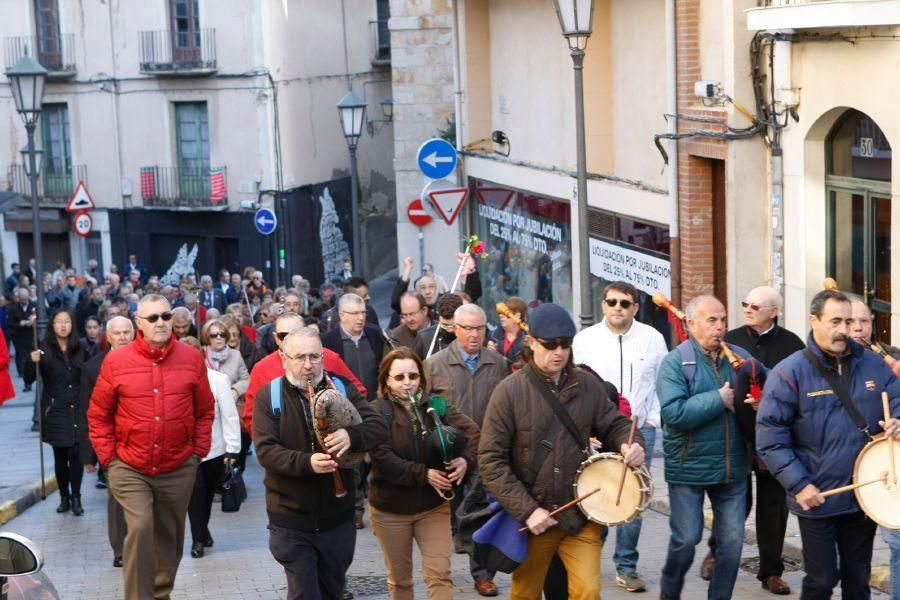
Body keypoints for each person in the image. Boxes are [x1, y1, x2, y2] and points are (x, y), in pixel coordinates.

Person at [479, 303, 643, 599]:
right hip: (534, 517)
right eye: (550, 344)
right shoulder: (509, 391)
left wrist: (630, 444)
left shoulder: (588, 385)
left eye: (565, 344)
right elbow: (491, 460)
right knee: (525, 594)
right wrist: (528, 511)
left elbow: (615, 423)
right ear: (531, 342)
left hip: (581, 514)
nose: (559, 351)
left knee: (588, 591)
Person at [757, 289, 900, 599]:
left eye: (848, 321)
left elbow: (899, 401)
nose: (844, 330)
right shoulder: (789, 373)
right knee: (822, 581)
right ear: (814, 320)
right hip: (817, 495)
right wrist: (798, 485)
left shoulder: (873, 365)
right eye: (835, 321)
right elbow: (770, 439)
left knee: (858, 581)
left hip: (865, 493)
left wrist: (899, 422)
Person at [88, 294, 215, 600]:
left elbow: (205, 410)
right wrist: (109, 459)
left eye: (166, 316)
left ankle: (161, 593)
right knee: (141, 528)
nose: (161, 323)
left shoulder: (191, 358)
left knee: (169, 538)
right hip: (130, 465)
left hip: (178, 464)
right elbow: (98, 414)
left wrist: (197, 452)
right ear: (139, 323)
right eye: (153, 318)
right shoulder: (116, 361)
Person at [252, 328, 388, 600]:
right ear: (283, 358)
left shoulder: (341, 387)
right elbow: (266, 451)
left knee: (333, 591)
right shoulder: (269, 396)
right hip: (291, 520)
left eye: (314, 357)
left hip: (337, 518)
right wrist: (307, 463)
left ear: (323, 358)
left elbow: (378, 427)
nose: (307, 365)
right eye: (299, 357)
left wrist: (351, 435)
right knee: (305, 593)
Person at [698, 285, 804, 594]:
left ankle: (771, 572)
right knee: (733, 501)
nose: (747, 309)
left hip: (776, 437)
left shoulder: (791, 344)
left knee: (773, 507)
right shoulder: (731, 339)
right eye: (745, 303)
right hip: (739, 435)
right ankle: (717, 551)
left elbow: (797, 387)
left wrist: (772, 402)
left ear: (774, 312)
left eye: (755, 306)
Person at [571, 281, 667, 593]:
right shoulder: (585, 340)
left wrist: (652, 420)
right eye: (611, 301)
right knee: (596, 492)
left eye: (625, 303)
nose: (617, 308)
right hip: (597, 432)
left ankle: (627, 567)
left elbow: (661, 383)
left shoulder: (652, 339)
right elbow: (574, 386)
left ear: (635, 308)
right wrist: (585, 430)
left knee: (632, 496)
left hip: (638, 430)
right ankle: (588, 559)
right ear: (603, 305)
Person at [656, 295, 751, 600]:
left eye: (723, 319)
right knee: (686, 539)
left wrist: (758, 400)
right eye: (712, 320)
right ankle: (669, 592)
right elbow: (673, 413)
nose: (720, 327)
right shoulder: (674, 362)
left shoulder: (739, 357)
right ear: (691, 323)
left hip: (732, 467)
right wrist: (718, 399)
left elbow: (770, 388)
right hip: (688, 466)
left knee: (733, 542)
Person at [370, 347, 480, 600]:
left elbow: (473, 433)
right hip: (391, 509)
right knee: (400, 582)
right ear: (386, 380)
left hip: (433, 506)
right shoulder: (377, 411)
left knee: (439, 574)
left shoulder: (436, 404)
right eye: (399, 377)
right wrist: (424, 474)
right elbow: (382, 457)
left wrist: (465, 460)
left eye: (413, 375)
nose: (407, 382)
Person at [425, 303, 509, 596]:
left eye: (480, 328)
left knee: (481, 513)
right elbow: (428, 411)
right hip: (449, 453)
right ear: (454, 329)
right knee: (453, 514)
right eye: (468, 328)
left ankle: (482, 574)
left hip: (487, 453)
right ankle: (447, 561)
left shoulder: (498, 363)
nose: (474, 335)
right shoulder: (434, 365)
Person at [241, 312, 365, 434]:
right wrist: (273, 447)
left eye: (297, 333)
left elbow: (359, 393)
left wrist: (349, 433)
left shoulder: (329, 358)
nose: (291, 340)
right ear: (276, 337)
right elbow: (251, 418)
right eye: (284, 335)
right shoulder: (261, 369)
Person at [79, 316, 134, 566]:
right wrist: (89, 455)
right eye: (117, 333)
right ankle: (121, 551)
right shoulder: (92, 368)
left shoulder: (146, 360)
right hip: (112, 445)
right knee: (118, 498)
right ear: (108, 337)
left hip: (144, 439)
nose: (122, 337)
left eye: (126, 332)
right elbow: (86, 412)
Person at [180, 335, 241, 559]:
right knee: (194, 495)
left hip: (214, 450)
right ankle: (197, 539)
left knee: (205, 496)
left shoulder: (218, 380)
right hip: (186, 452)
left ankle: (203, 530)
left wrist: (233, 450)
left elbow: (230, 416)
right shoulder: (174, 380)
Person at [26, 309, 85, 515]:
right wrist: (30, 361)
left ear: (72, 325)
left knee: (76, 454)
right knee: (61, 456)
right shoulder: (44, 350)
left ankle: (77, 497)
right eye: (59, 322)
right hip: (55, 409)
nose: (63, 325)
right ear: (52, 325)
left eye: (67, 322)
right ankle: (64, 497)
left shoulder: (81, 348)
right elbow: (28, 377)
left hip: (77, 408)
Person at [321, 293, 384, 401]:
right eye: (355, 313)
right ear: (342, 315)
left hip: (377, 403)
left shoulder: (375, 335)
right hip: (347, 404)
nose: (360, 318)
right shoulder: (328, 341)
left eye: (363, 312)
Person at [413, 293, 463, 360]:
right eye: (445, 325)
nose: (451, 330)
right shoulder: (424, 338)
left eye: (455, 325)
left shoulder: (472, 335)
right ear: (438, 316)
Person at [487, 296, 528, 370]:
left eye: (505, 313)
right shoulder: (492, 336)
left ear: (517, 315)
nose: (501, 316)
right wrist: (487, 352)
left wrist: (499, 357)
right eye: (500, 313)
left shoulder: (529, 337)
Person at [7, 288, 35, 392]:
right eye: (22, 299)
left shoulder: (34, 306)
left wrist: (33, 322)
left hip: (33, 338)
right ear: (18, 298)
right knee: (23, 362)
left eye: (25, 299)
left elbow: (44, 317)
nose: (24, 301)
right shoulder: (13, 309)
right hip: (20, 339)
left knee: (34, 361)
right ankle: (27, 384)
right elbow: (9, 323)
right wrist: (20, 323)